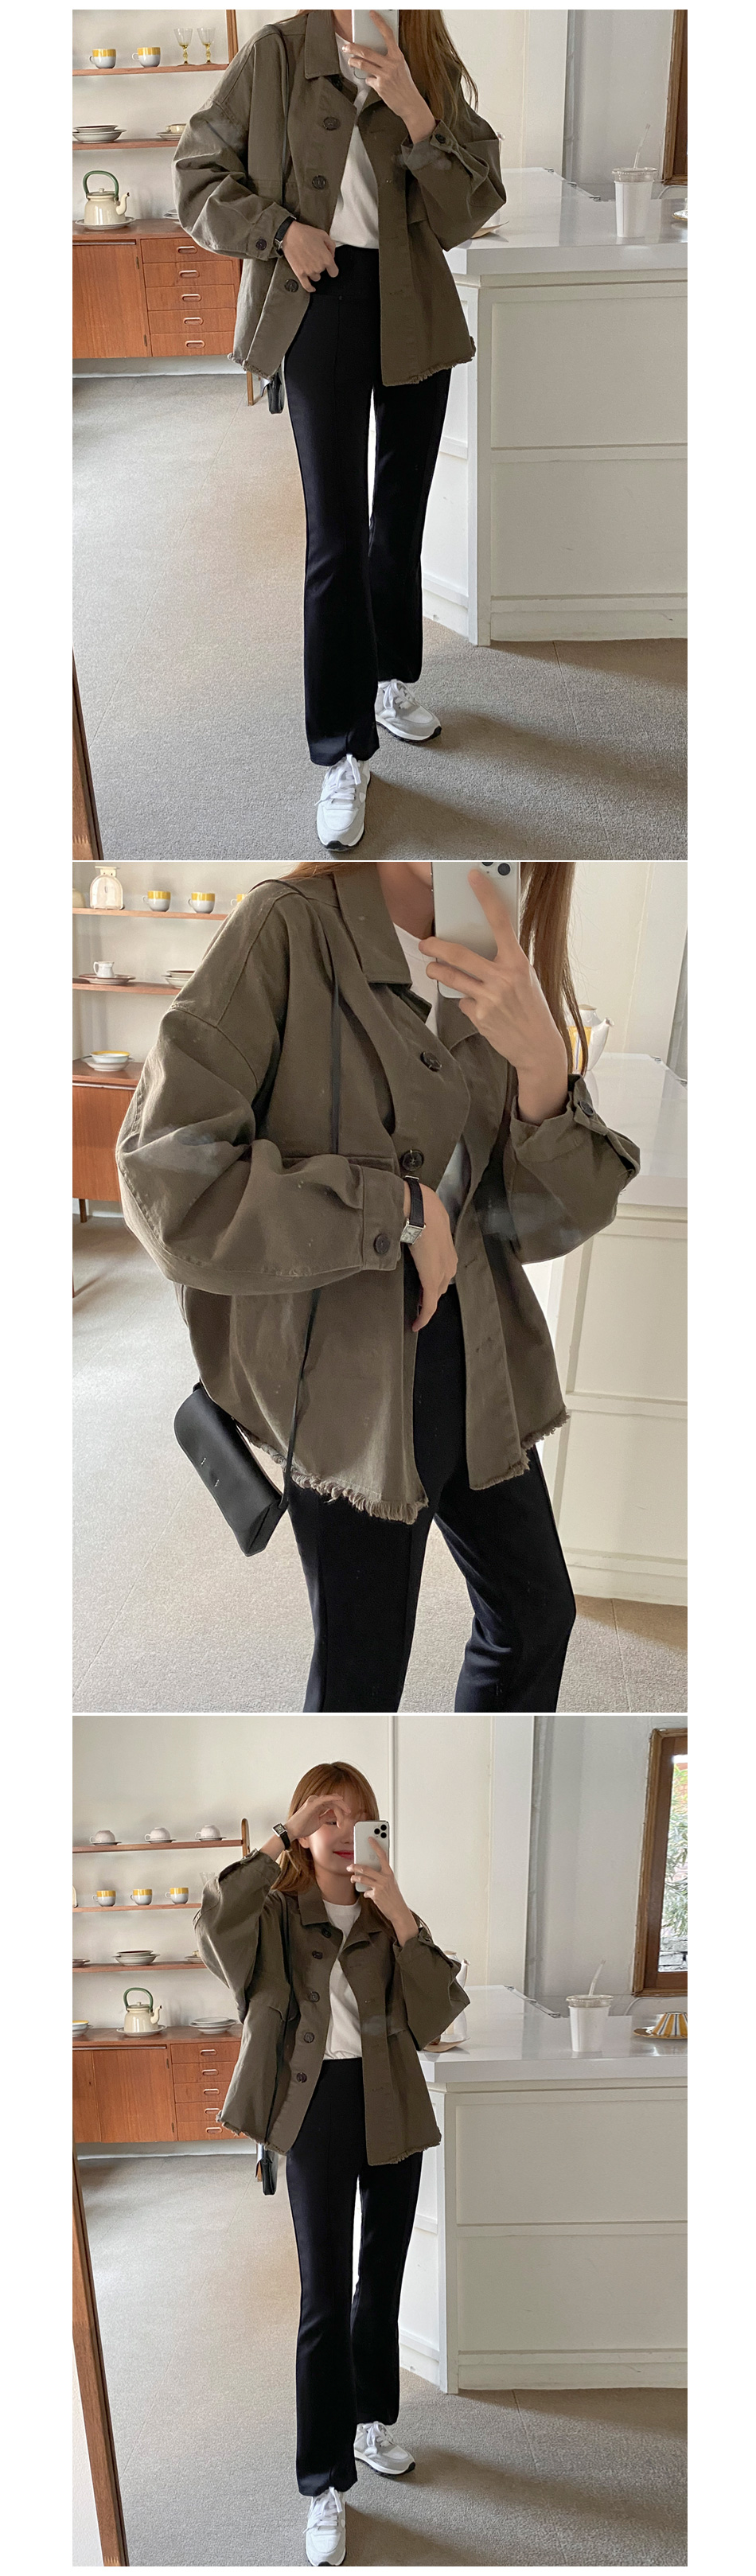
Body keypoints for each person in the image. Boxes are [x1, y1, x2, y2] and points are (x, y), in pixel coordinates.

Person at [117, 859, 640, 1713]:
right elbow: (167, 1182)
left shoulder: (488, 933)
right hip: (344, 1379)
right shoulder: (288, 925)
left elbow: (531, 1219)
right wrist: (391, 1208)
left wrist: (545, 1072)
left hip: (475, 1354)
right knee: (362, 1672)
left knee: (535, 1615)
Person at [173, 11, 505, 848]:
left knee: (400, 516)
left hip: (413, 303)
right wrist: (281, 231)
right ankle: (341, 751)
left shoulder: (424, 51)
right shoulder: (277, 53)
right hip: (315, 301)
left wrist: (414, 106)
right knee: (336, 534)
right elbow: (197, 176)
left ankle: (389, 679)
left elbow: (470, 206)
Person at [197, 1760, 466, 2567]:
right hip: (313, 2109)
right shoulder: (274, 1914)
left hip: (390, 2103)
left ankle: (370, 2422)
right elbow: (211, 1923)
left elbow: (437, 2007)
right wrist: (277, 1837)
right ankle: (322, 2482)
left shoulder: (387, 1916)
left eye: (356, 1817)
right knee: (323, 2295)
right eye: (325, 1817)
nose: (342, 1832)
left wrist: (400, 1910)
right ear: (300, 1830)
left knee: (380, 2279)